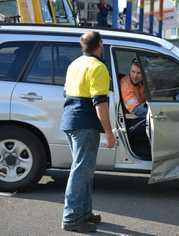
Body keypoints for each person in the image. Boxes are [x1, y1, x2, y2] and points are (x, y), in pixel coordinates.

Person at [60, 31, 116, 233]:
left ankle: (84, 212)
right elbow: (100, 103)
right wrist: (109, 133)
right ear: (100, 45)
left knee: (84, 171)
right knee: (80, 172)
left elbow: (66, 93)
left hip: (70, 120)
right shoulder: (98, 67)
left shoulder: (74, 64)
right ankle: (72, 218)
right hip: (85, 124)